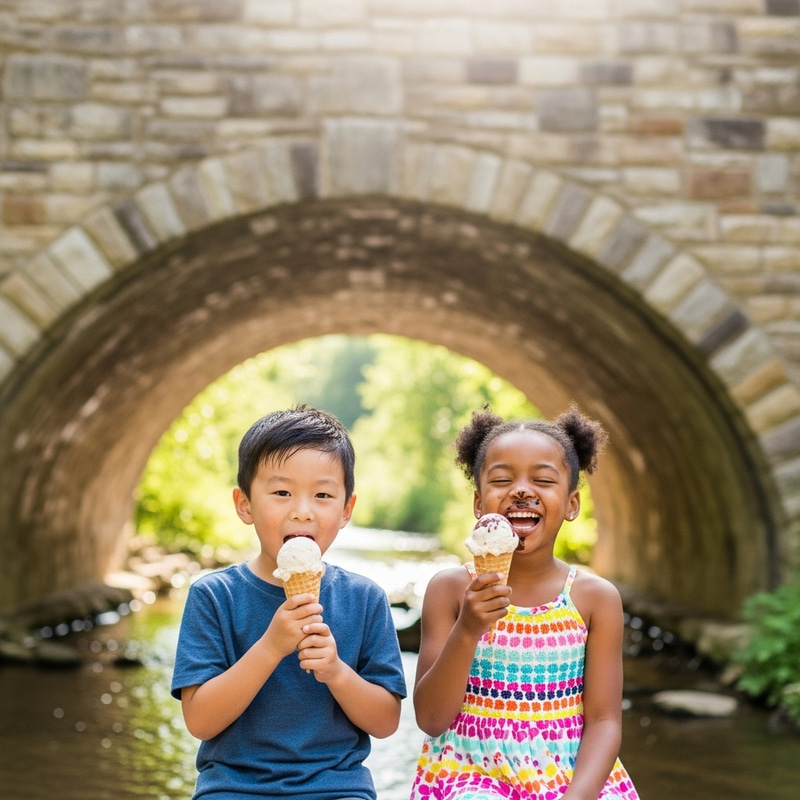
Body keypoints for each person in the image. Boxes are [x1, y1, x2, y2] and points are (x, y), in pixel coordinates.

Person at [172, 405, 407, 800]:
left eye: (323, 495)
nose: (303, 511)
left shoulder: (365, 599)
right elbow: (200, 721)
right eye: (281, 493)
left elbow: (385, 723)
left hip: (338, 787)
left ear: (346, 508)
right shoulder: (214, 596)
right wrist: (270, 646)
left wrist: (335, 671)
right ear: (244, 504)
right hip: (232, 787)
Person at [410, 405, 639, 799]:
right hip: (471, 776)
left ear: (571, 504)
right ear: (479, 504)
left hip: (572, 780)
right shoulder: (449, 590)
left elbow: (604, 722)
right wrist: (467, 629)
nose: (521, 489)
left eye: (543, 479)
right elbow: (431, 719)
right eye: (502, 479)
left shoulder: (595, 599)